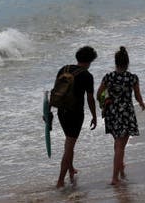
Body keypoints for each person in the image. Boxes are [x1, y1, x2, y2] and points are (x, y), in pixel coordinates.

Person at [97, 47, 145, 186]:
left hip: (111, 113)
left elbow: (98, 94)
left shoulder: (108, 77)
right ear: (127, 63)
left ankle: (121, 168)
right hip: (126, 114)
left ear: (115, 62)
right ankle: (114, 177)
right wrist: (141, 103)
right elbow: (136, 95)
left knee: (118, 143)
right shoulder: (132, 78)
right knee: (120, 146)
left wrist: (104, 102)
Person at [54, 46, 98, 188]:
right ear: (90, 61)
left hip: (61, 111)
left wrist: (47, 111)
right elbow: (90, 99)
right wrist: (94, 115)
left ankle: (71, 169)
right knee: (69, 145)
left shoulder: (64, 69)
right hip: (75, 114)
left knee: (69, 142)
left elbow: (55, 91)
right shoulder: (87, 76)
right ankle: (60, 180)